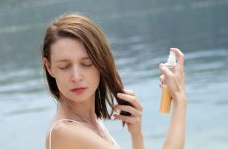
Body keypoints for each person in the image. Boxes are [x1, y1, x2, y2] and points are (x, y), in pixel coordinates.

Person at [42, 12, 187, 149]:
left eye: (87, 63)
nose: (76, 76)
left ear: (101, 62)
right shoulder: (65, 131)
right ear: (49, 67)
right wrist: (180, 99)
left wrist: (136, 134)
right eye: (64, 66)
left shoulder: (92, 124)